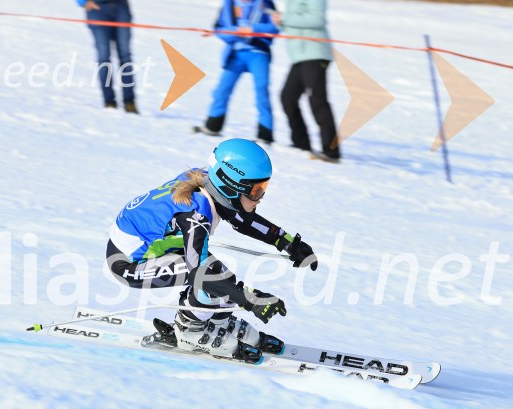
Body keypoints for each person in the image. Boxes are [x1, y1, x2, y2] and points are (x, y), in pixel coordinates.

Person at [106, 138, 318, 363]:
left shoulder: (210, 183)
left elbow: (242, 219)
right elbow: (199, 274)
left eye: (263, 188)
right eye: (257, 191)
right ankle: (189, 330)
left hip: (155, 249)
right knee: (213, 277)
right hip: (128, 264)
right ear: (231, 187)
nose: (261, 198)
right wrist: (251, 299)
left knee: (222, 278)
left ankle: (217, 319)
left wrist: (289, 243)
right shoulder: (195, 216)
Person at [196, 0, 279, 144]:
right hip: (236, 54)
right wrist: (236, 31)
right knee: (222, 90)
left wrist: (252, 29)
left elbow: (275, 27)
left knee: (262, 91)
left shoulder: (264, 3)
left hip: (258, 53)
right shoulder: (229, 4)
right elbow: (219, 29)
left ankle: (265, 133)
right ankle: (213, 126)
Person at [272, 0, 340, 162]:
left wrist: (286, 18)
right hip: (300, 56)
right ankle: (301, 144)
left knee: (317, 101)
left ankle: (331, 152)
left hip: (315, 53)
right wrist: (280, 22)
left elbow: (317, 19)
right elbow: (295, 25)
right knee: (288, 97)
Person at [78, 0, 138, 113]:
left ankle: (130, 102)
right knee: (104, 57)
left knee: (125, 56)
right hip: (97, 10)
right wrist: (82, 2)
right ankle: (109, 101)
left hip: (121, 8)